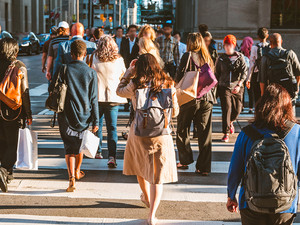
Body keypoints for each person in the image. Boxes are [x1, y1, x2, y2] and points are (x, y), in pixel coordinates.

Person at [116, 53, 179, 225]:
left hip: (139, 133)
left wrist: (129, 72)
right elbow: (176, 112)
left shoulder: (136, 84)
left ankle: (145, 196)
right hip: (161, 134)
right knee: (157, 177)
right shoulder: (169, 83)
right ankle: (152, 216)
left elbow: (119, 91)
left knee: (141, 168)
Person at [227, 83, 300, 225]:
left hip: (251, 201)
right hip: (285, 205)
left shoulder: (247, 133)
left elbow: (235, 168)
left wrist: (231, 196)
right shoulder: (296, 132)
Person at [49, 40, 99, 192]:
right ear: (85, 54)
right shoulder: (91, 73)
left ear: (71, 54)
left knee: (69, 147)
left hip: (65, 113)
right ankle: (77, 171)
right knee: (79, 145)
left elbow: (52, 87)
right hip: (84, 114)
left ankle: (71, 179)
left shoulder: (64, 69)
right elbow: (94, 98)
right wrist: (96, 120)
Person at [175, 33, 216, 175]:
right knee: (205, 133)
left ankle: (185, 160)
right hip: (206, 98)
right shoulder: (207, 57)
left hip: (189, 97)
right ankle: (203, 167)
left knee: (182, 128)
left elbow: (179, 76)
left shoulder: (187, 56)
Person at [87, 35, 127, 166]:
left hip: (97, 97)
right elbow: (124, 75)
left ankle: (97, 152)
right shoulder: (119, 59)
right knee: (112, 128)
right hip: (113, 97)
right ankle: (112, 156)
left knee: (97, 125)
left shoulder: (93, 57)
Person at [0, 38, 32, 192]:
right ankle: (4, 170)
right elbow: (24, 92)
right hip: (12, 111)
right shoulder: (19, 66)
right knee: (12, 142)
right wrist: (28, 113)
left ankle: (7, 174)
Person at [215, 35, 247, 143]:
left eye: (230, 45)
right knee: (226, 109)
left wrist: (239, 84)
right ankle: (226, 133)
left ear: (234, 45)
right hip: (224, 86)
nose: (228, 47)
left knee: (238, 109)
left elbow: (244, 72)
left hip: (237, 86)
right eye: (226, 45)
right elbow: (216, 73)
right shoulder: (221, 58)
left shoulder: (240, 57)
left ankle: (231, 121)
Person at [259, 33, 300, 110]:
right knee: (289, 115)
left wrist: (263, 95)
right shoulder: (290, 54)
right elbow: (298, 73)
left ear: (270, 43)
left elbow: (262, 79)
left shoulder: (265, 58)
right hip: (289, 91)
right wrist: (296, 88)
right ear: (281, 41)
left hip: (273, 92)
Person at [247, 28, 270, 108]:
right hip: (267, 74)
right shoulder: (270, 47)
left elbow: (252, 63)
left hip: (256, 74)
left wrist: (248, 78)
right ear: (267, 36)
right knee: (266, 96)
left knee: (257, 96)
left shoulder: (254, 48)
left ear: (258, 36)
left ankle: (257, 114)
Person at [120, 24, 139, 111]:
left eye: (134, 31)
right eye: (131, 31)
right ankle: (127, 104)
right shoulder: (124, 41)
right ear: (128, 32)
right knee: (127, 83)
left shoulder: (138, 42)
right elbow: (122, 53)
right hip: (126, 65)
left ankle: (133, 103)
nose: (133, 33)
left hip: (136, 67)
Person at [240, 36, 254, 113]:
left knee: (241, 91)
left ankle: (241, 106)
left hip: (242, 74)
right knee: (250, 91)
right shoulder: (253, 51)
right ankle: (250, 108)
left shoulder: (240, 51)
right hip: (250, 74)